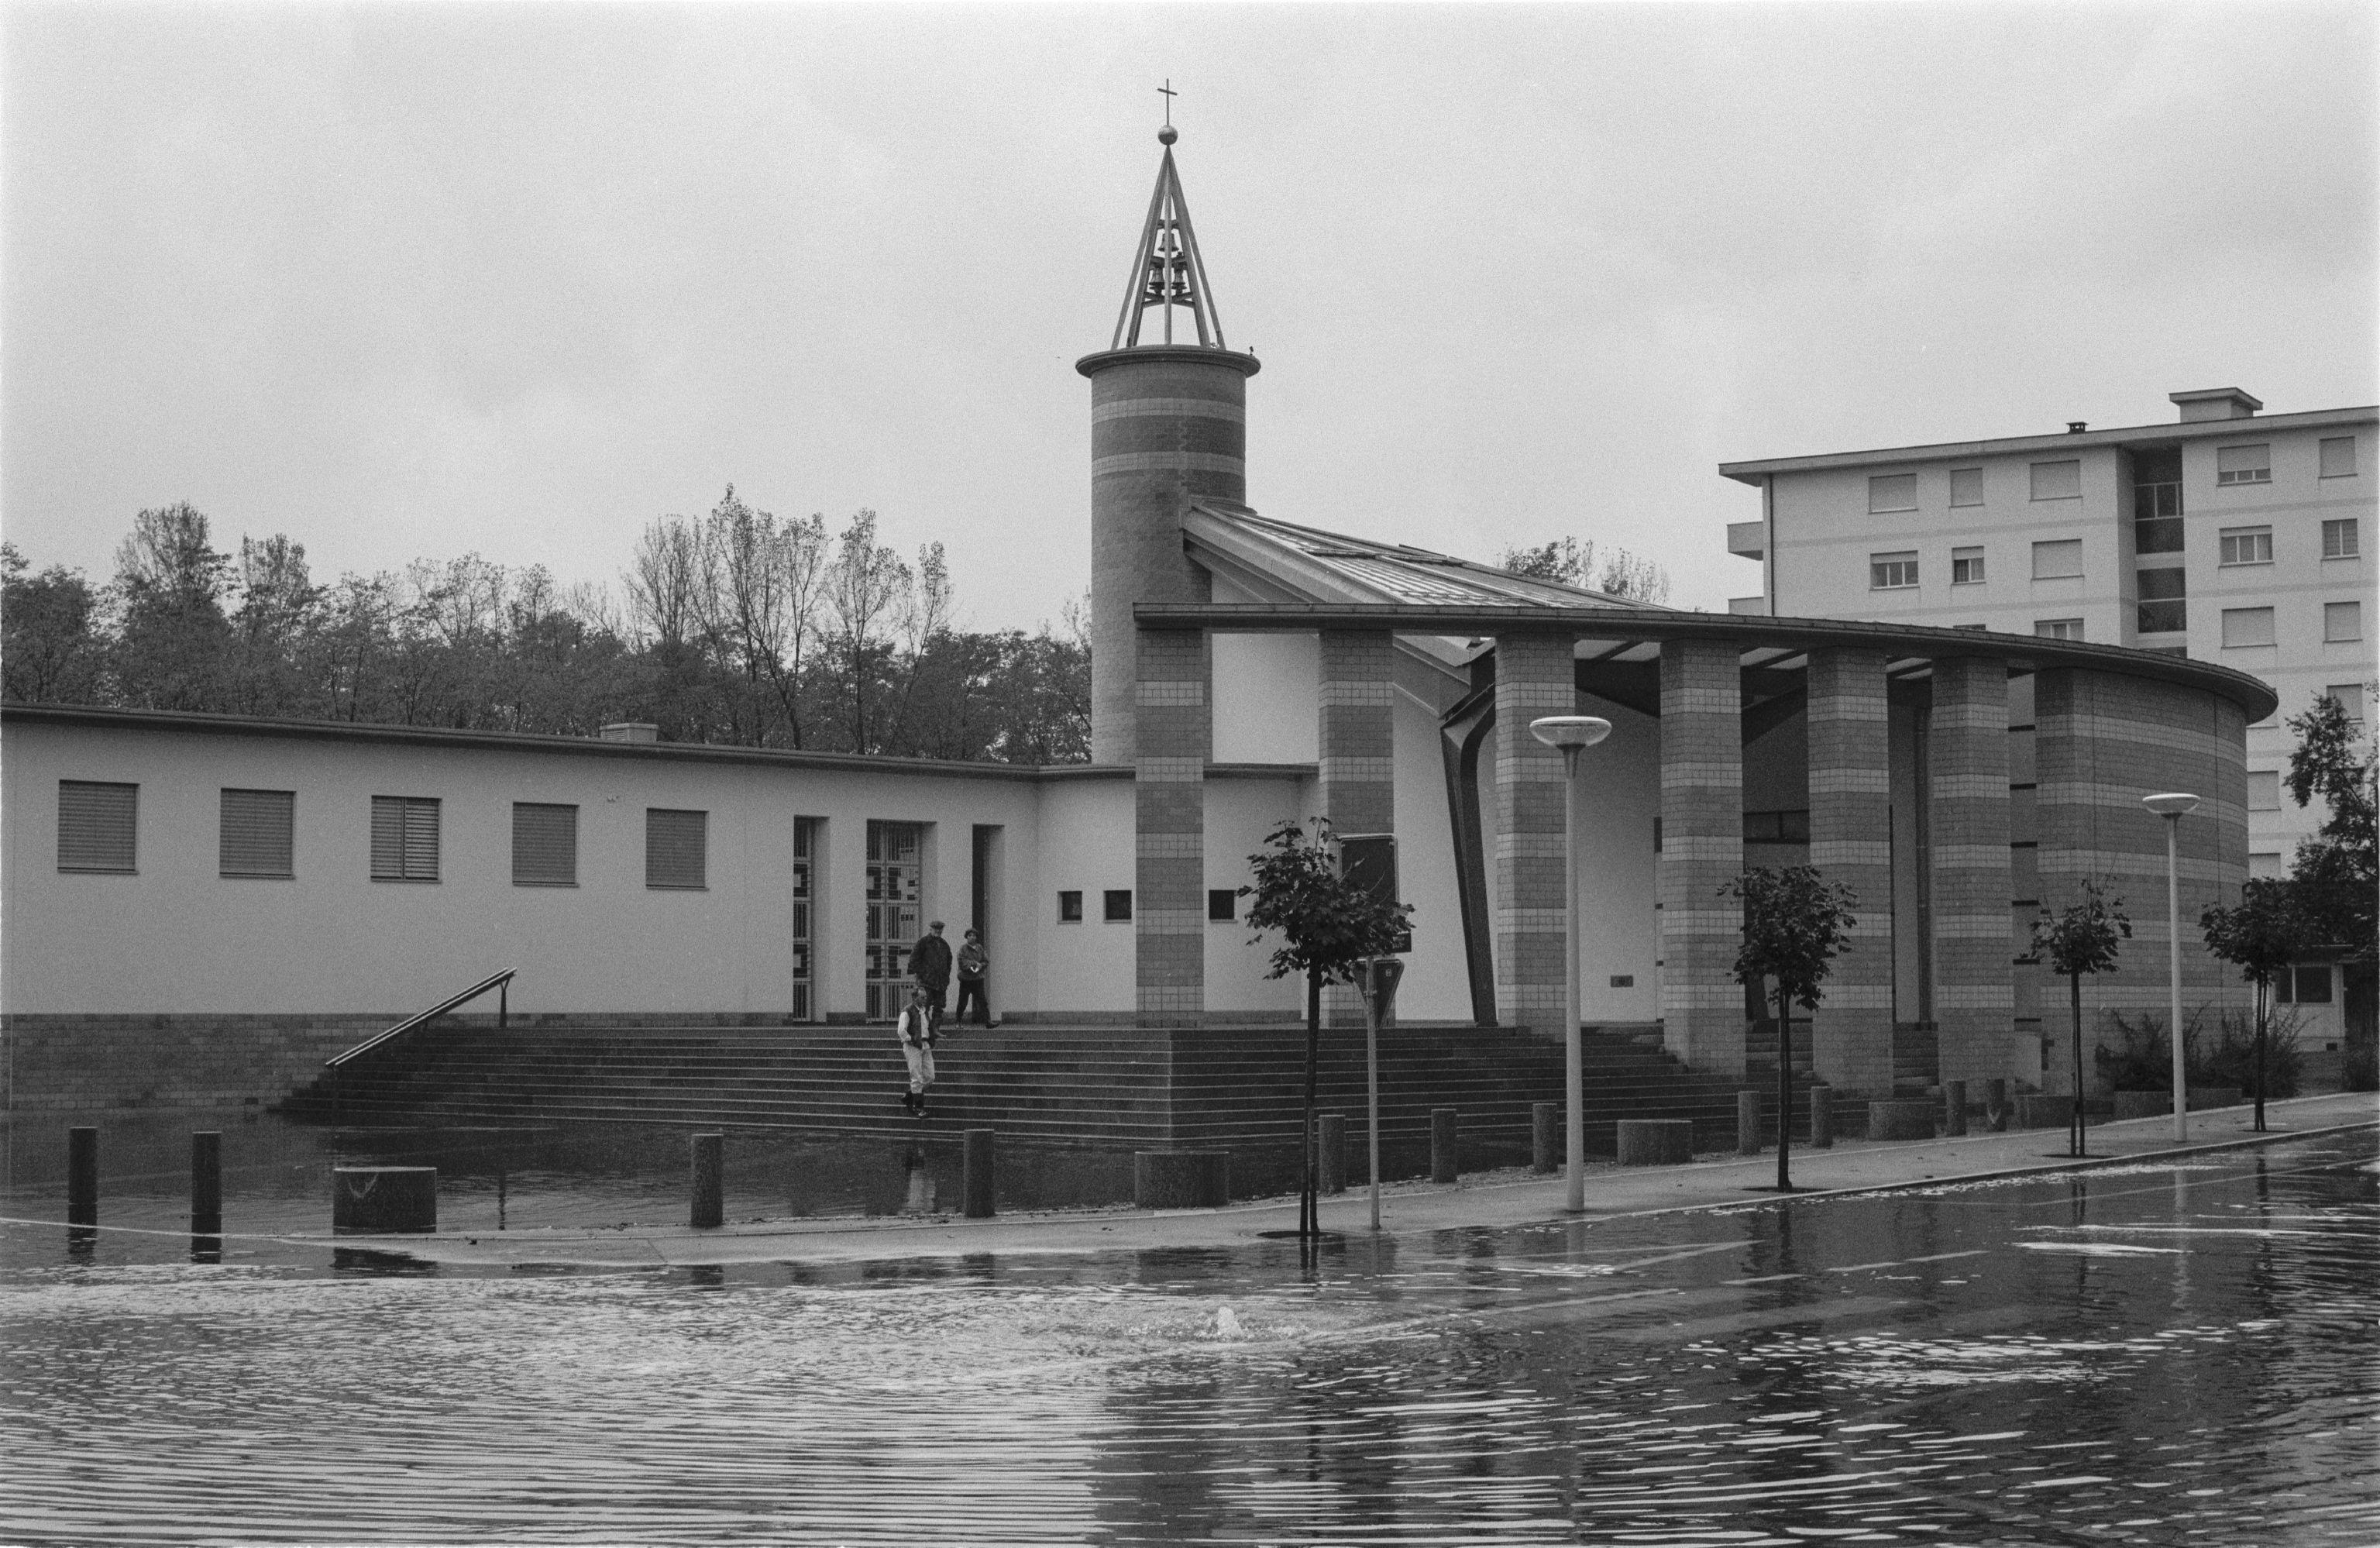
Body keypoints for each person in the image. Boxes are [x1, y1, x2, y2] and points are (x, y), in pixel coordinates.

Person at [893, 986, 937, 1117]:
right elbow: (901, 1030)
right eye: (922, 997)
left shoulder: (924, 1011)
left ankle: (909, 1095)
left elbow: (926, 1027)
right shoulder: (907, 1011)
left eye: (925, 997)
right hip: (913, 1046)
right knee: (916, 1076)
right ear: (914, 998)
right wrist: (911, 1039)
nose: (925, 999)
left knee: (930, 1077)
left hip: (925, 1044)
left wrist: (933, 1035)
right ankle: (919, 1107)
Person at [910, 920, 953, 1030]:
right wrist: (923, 974)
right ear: (931, 929)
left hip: (940, 982)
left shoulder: (944, 945)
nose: (938, 931)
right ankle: (923, 1029)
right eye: (936, 929)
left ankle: (935, 1029)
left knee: (939, 1007)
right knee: (924, 1006)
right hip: (926, 982)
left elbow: (949, 962)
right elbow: (914, 960)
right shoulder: (923, 942)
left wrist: (946, 977)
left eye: (940, 929)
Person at [954, 927, 992, 1027]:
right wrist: (975, 964)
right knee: (963, 1001)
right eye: (970, 936)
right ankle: (958, 1021)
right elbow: (962, 962)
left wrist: (981, 965)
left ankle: (988, 1021)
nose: (972, 938)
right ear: (967, 937)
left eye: (974, 936)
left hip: (978, 979)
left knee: (983, 1001)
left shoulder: (979, 948)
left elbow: (986, 961)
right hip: (966, 979)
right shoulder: (963, 949)